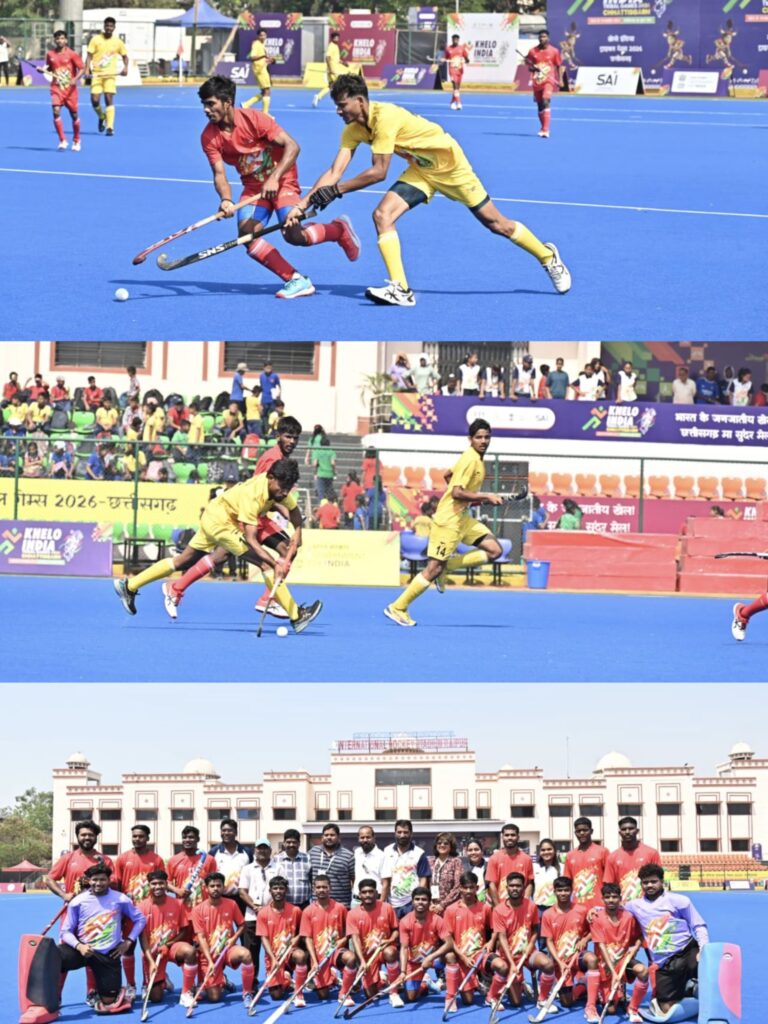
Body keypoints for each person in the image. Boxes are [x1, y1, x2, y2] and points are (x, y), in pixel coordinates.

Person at [285, 73, 571, 307]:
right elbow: (334, 172)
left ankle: (547, 257)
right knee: (382, 215)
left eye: (342, 105)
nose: (338, 111)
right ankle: (401, 289)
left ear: (360, 101)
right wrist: (301, 205)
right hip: (421, 169)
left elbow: (378, 172)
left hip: (451, 167)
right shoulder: (352, 130)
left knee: (497, 224)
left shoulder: (385, 118)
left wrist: (336, 191)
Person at [113, 459, 322, 635]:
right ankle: (296, 616)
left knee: (183, 561)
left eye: (288, 488)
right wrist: (275, 564)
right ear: (270, 478)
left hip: (214, 514)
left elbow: (293, 511)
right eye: (282, 487)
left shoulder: (280, 487)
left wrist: (297, 532)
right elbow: (251, 539)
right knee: (265, 564)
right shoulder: (253, 496)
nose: (284, 492)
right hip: (221, 524)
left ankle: (129, 586)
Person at [199, 76, 360, 301]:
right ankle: (296, 279)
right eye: (204, 104)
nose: (206, 110)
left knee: (293, 234)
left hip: (283, 181)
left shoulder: (255, 119)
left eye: (210, 104)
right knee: (246, 236)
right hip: (253, 189)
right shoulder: (209, 137)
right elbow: (219, 174)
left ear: (227, 102)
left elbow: (293, 146)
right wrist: (226, 199)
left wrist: (274, 178)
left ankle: (338, 230)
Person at [385, 419, 506, 627]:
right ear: (470, 439)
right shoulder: (470, 459)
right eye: (479, 437)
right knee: (433, 569)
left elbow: (448, 475)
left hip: (462, 518)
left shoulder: (474, 458)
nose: (483, 441)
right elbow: (457, 492)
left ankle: (448, 567)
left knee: (495, 550)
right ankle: (398, 607)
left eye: (487, 437)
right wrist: (485, 497)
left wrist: (471, 499)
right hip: (448, 521)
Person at [59, 863, 145, 1014]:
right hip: (83, 951)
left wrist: (128, 941)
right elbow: (65, 932)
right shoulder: (77, 901)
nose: (98, 883)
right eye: (95, 880)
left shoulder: (121, 899)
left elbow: (140, 920)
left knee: (109, 1003)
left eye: (102, 880)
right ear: (89, 880)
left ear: (109, 880)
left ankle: (112, 993)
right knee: (53, 956)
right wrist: (79, 946)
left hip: (109, 955)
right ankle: (50, 999)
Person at [625, 865, 708, 1017]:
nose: (649, 885)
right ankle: (689, 990)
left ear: (662, 881)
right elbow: (614, 910)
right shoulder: (634, 905)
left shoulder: (680, 900)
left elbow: (698, 925)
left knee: (705, 967)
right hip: (664, 962)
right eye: (645, 882)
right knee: (665, 1009)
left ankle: (699, 989)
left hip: (687, 951)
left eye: (653, 881)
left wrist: (703, 949)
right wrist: (595, 910)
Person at [488, 871, 554, 1010]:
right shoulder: (499, 910)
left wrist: (531, 945)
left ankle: (542, 999)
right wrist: (512, 964)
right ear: (507, 888)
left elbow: (535, 930)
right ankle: (499, 992)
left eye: (518, 886)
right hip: (509, 956)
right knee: (516, 1002)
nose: (515, 889)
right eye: (511, 886)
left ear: (523, 887)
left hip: (528, 953)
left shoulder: (531, 906)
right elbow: (502, 938)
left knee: (548, 964)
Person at [114, 824, 166, 999]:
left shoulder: (156, 860)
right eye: (134, 836)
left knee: (148, 949)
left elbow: (161, 885)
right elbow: (117, 885)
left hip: (150, 911)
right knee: (128, 948)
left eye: (141, 836)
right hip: (128, 912)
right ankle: (130, 985)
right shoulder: (123, 858)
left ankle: (146, 983)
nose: (137, 839)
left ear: (147, 838)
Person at [138, 869, 198, 1008]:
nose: (157, 887)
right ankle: (163, 979)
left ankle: (186, 993)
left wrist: (168, 944)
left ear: (166, 884)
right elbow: (142, 939)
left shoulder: (177, 904)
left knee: (190, 951)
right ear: (148, 885)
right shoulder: (141, 907)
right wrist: (151, 961)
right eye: (154, 884)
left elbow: (184, 931)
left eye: (161, 883)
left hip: (172, 947)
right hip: (153, 952)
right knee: (156, 998)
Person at [191, 873, 255, 1004]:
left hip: (228, 949)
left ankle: (247, 992)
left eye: (218, 885)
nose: (215, 888)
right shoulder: (197, 910)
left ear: (223, 887)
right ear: (206, 888)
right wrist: (210, 961)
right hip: (209, 954)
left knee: (246, 955)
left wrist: (234, 938)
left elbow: (242, 925)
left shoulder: (232, 904)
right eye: (212, 886)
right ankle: (223, 980)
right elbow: (201, 938)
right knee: (214, 998)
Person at [589, 882, 647, 1024]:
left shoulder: (629, 917)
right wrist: (614, 973)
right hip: (605, 965)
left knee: (642, 971)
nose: (611, 900)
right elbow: (601, 946)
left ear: (620, 899)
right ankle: (591, 988)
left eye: (614, 897)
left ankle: (632, 1008)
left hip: (623, 961)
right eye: (607, 897)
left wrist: (635, 947)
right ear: (602, 899)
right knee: (611, 1010)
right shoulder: (596, 917)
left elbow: (641, 935)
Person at [339, 878, 400, 1006]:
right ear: (359, 895)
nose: (367, 895)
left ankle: (393, 993)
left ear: (376, 893)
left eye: (371, 891)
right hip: (368, 956)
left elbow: (395, 930)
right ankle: (383, 979)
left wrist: (390, 940)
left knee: (390, 952)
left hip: (384, 950)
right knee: (371, 996)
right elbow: (355, 939)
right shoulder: (352, 914)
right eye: (364, 892)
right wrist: (362, 961)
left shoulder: (387, 908)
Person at [539, 876, 593, 1012]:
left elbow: (594, 931)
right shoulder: (547, 914)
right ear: (554, 892)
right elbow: (548, 941)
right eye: (560, 890)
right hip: (561, 962)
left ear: (571, 891)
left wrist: (585, 940)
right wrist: (559, 962)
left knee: (592, 959)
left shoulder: (582, 910)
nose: (563, 893)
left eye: (566, 890)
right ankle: (582, 986)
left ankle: (592, 1002)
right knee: (567, 1003)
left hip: (578, 957)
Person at [442, 872, 494, 1011]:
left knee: (499, 964)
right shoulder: (451, 910)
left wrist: (490, 942)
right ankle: (451, 997)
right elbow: (448, 939)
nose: (469, 891)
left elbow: (495, 930)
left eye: (472, 887)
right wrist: (463, 957)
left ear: (477, 888)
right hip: (461, 956)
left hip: (479, 955)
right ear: (460, 888)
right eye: (465, 887)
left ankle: (489, 987)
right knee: (469, 1000)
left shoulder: (485, 908)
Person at [256, 875, 307, 1003]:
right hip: (274, 955)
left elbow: (304, 930)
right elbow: (264, 938)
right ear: (270, 891)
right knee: (276, 996)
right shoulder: (263, 913)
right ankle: (286, 978)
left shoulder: (295, 910)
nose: (278, 891)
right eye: (275, 888)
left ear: (286, 890)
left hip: (290, 952)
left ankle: (298, 993)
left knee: (301, 956)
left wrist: (297, 937)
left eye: (281, 888)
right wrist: (273, 959)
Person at [397, 885, 451, 1002]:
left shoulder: (437, 920)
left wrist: (430, 958)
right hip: (414, 962)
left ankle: (452, 994)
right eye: (417, 899)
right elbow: (404, 948)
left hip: (434, 960)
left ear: (429, 902)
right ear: (412, 901)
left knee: (450, 956)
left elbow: (449, 943)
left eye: (424, 899)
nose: (420, 902)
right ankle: (425, 982)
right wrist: (402, 972)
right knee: (410, 998)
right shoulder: (405, 921)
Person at [300, 873, 348, 999]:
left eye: (324, 887)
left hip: (336, 951)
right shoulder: (308, 911)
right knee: (323, 995)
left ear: (330, 888)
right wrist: (314, 962)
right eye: (318, 887)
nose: (321, 890)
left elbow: (349, 932)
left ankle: (344, 991)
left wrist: (342, 940)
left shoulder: (340, 908)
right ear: (314, 889)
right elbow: (307, 938)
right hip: (320, 955)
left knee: (350, 959)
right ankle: (332, 976)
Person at [238, 838, 278, 973]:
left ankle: (275, 978)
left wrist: (266, 910)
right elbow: (242, 892)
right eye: (259, 848)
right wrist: (256, 908)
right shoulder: (247, 869)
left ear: (270, 850)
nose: (262, 851)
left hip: (273, 916)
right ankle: (251, 981)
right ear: (255, 850)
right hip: (252, 916)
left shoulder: (278, 868)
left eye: (265, 848)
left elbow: (282, 891)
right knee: (251, 951)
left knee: (275, 948)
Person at [85, 17, 128, 136]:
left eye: (111, 26)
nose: (109, 28)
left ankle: (110, 127)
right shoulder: (95, 39)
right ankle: (101, 116)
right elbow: (89, 56)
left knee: (108, 98)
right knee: (95, 101)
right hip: (97, 74)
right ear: (104, 26)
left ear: (114, 27)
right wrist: (87, 69)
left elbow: (125, 56)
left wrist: (125, 67)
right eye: (107, 25)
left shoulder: (118, 42)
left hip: (110, 75)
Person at [603, 816, 661, 903]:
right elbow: (609, 885)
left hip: (648, 904)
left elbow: (659, 880)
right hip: (623, 906)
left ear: (637, 831)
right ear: (620, 833)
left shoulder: (651, 853)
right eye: (624, 829)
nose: (627, 832)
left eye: (631, 828)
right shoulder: (612, 857)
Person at [381, 819, 431, 918]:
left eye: (405, 832)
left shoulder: (419, 853)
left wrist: (417, 901)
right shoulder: (387, 851)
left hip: (411, 903)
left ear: (411, 833)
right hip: (392, 903)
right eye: (399, 832)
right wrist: (382, 903)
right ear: (395, 833)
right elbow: (386, 880)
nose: (402, 835)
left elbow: (423, 880)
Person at [44, 30, 83, 151]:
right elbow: (50, 68)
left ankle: (76, 140)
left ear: (66, 40)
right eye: (57, 38)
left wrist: (75, 79)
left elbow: (82, 68)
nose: (60, 41)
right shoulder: (50, 54)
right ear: (54, 40)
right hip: (56, 88)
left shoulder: (72, 54)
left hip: (70, 90)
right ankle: (62, 140)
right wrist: (43, 70)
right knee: (56, 111)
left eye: (62, 38)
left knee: (74, 115)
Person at [525, 30, 564, 138]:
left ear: (548, 38)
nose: (542, 38)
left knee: (545, 99)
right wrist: (533, 68)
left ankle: (546, 130)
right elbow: (529, 66)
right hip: (537, 81)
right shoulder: (532, 51)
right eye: (540, 37)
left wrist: (561, 80)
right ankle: (543, 128)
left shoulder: (554, 51)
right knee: (540, 105)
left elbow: (559, 66)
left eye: (544, 36)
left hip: (548, 80)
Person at [167, 826, 218, 908]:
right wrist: (178, 890)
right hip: (182, 907)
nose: (187, 840)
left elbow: (215, 882)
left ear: (198, 839)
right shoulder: (173, 860)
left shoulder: (209, 859)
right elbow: (166, 882)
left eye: (191, 837)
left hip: (204, 907)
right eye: (184, 837)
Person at [563, 816, 608, 909]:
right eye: (578, 831)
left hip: (599, 905)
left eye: (585, 830)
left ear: (591, 831)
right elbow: (567, 882)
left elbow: (609, 880)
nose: (582, 833)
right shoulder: (570, 855)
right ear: (575, 833)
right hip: (576, 905)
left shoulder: (603, 852)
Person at [309, 823, 356, 908]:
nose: (329, 837)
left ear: (338, 837)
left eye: (332, 835)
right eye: (326, 835)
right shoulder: (313, 852)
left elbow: (354, 879)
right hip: (317, 905)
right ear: (322, 837)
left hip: (341, 905)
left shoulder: (348, 856)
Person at [486, 823, 534, 905]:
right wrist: (498, 907)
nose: (510, 838)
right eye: (507, 835)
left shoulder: (527, 859)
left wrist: (524, 904)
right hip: (501, 905)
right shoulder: (494, 859)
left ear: (518, 837)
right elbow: (491, 884)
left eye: (513, 835)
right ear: (502, 837)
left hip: (521, 906)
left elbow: (529, 883)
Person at [209, 818, 252, 910]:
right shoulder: (213, 852)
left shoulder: (246, 852)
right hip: (220, 898)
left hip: (242, 899)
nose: (226, 833)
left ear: (236, 832)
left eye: (230, 830)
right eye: (224, 830)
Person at [313, 30, 359, 108]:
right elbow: (327, 58)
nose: (337, 39)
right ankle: (340, 103)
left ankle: (318, 96)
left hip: (334, 70)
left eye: (338, 37)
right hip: (333, 71)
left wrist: (343, 63)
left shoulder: (336, 46)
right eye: (335, 37)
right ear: (332, 38)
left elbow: (336, 59)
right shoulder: (331, 46)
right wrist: (330, 69)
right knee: (339, 86)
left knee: (331, 86)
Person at [353, 826, 391, 905]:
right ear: (358, 839)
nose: (365, 840)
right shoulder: (356, 853)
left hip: (375, 901)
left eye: (368, 837)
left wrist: (381, 903)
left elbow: (386, 883)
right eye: (362, 837)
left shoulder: (382, 856)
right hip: (356, 901)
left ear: (374, 838)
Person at [275, 829, 312, 909]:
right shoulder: (276, 860)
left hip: (304, 905)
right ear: (284, 843)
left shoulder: (307, 858)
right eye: (288, 842)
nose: (291, 845)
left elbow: (312, 880)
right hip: (283, 906)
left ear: (299, 843)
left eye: (294, 842)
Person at [242, 27, 274, 115]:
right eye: (261, 35)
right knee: (267, 90)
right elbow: (252, 57)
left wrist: (268, 60)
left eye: (264, 35)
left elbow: (262, 58)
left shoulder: (262, 44)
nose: (263, 37)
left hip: (262, 68)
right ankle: (265, 113)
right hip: (260, 70)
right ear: (258, 36)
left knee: (264, 91)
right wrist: (263, 56)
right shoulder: (256, 44)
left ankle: (246, 104)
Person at [429, 832, 463, 915]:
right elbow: (424, 884)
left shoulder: (456, 862)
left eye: (446, 843)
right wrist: (430, 903)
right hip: (432, 907)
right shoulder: (431, 861)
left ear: (451, 846)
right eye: (439, 843)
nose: (442, 845)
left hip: (450, 907)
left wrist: (442, 905)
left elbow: (458, 886)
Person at [532, 839, 561, 937]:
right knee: (541, 936)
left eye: (549, 849)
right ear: (539, 852)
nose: (546, 852)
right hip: (538, 908)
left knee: (555, 935)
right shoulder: (534, 867)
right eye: (543, 850)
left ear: (554, 850)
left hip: (556, 907)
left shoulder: (562, 867)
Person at [444, 34, 470, 110]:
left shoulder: (462, 48)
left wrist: (466, 60)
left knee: (457, 88)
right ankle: (459, 103)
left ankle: (452, 103)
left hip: (460, 70)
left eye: (456, 39)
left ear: (458, 40)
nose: (455, 40)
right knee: (455, 85)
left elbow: (466, 58)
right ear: (452, 40)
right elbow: (445, 58)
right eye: (454, 39)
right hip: (452, 69)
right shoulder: (448, 49)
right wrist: (443, 59)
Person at [313, 435, 337, 501]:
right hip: (329, 474)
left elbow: (315, 464)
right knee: (329, 493)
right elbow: (333, 463)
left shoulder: (318, 451)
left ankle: (322, 506)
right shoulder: (331, 452)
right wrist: (334, 472)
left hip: (320, 474)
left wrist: (315, 473)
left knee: (321, 493)